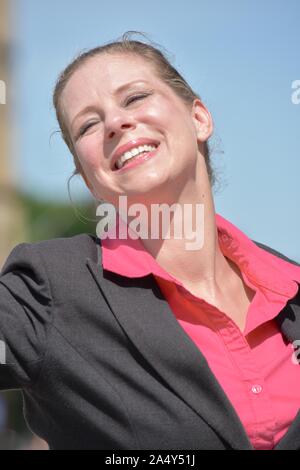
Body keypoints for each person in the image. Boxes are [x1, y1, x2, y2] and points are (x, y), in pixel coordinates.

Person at [1, 32, 300, 451]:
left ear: (199, 118)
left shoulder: (291, 287)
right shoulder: (49, 287)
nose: (115, 123)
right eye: (88, 123)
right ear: (88, 176)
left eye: (135, 97)